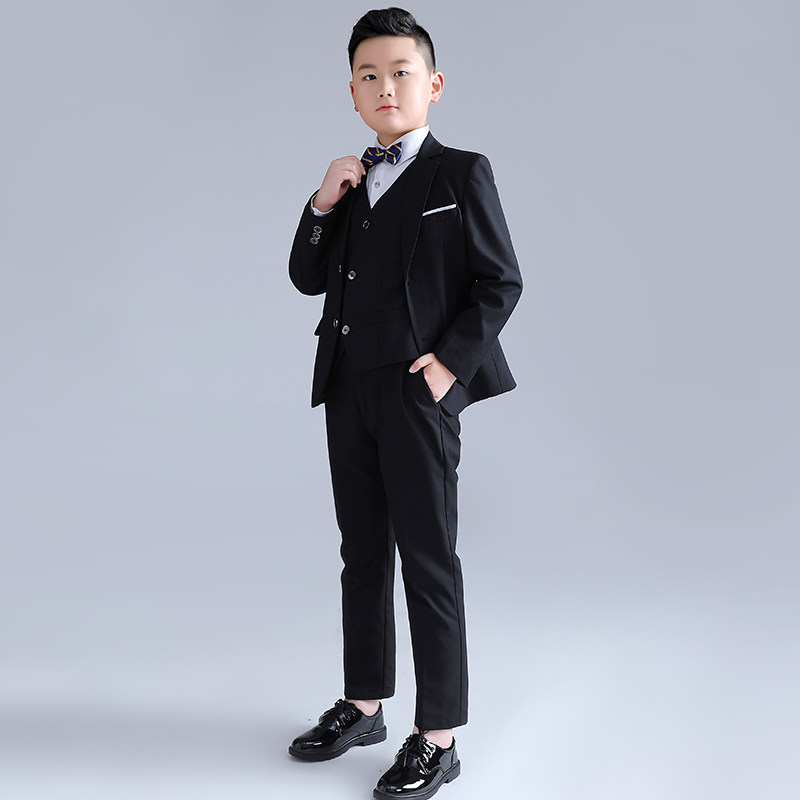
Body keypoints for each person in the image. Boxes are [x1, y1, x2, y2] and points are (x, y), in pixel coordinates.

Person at [286, 7, 522, 799]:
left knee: (427, 559)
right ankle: (364, 705)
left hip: (417, 393)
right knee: (361, 552)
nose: (385, 86)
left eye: (401, 72)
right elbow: (306, 278)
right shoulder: (352, 179)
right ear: (353, 92)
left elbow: (501, 281)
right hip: (347, 386)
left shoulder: (461, 173)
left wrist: (448, 367)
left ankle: (439, 736)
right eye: (369, 75)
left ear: (433, 84)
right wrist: (322, 203)